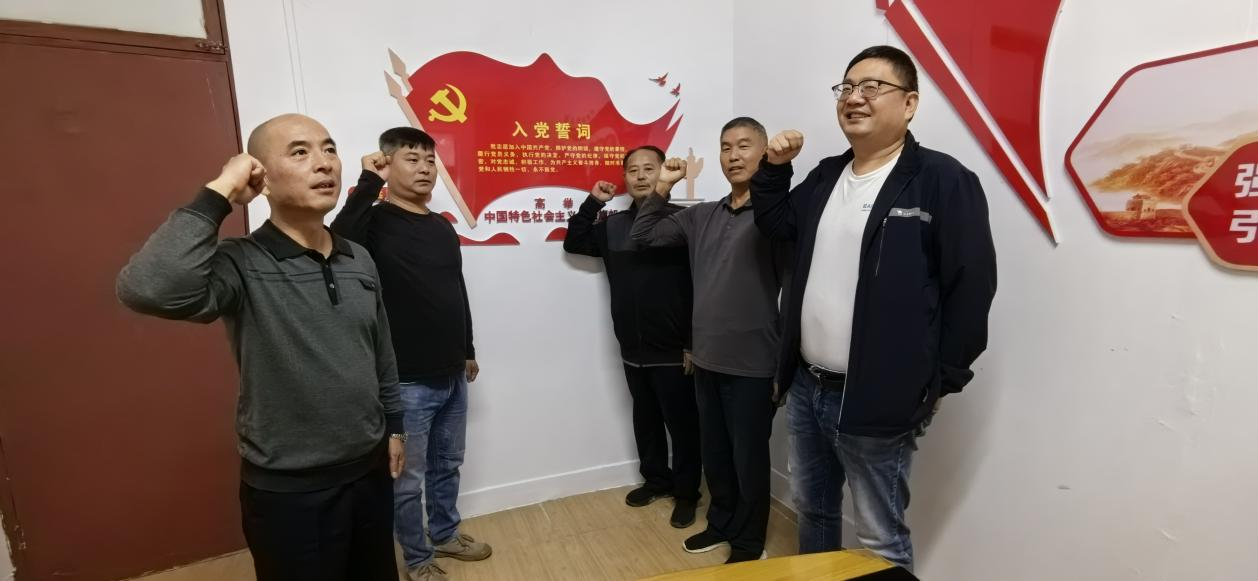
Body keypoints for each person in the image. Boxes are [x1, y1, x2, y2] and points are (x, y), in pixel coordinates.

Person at [116, 113, 405, 580]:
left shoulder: (359, 259)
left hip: (368, 472)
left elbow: (381, 351)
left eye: (329, 149)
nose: (324, 163)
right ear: (261, 178)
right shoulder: (240, 262)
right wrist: (220, 193)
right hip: (290, 490)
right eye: (300, 152)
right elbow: (146, 289)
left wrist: (395, 426)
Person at [749, 45, 997, 570]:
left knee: (879, 535)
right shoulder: (825, 176)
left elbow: (971, 288)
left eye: (871, 87)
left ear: (909, 104)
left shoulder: (942, 180)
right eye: (846, 87)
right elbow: (777, 225)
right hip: (807, 386)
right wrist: (773, 169)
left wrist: (940, 381)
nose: (854, 97)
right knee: (813, 510)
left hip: (879, 397)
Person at [331, 127, 490, 581]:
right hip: (405, 379)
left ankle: (445, 534)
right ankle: (417, 560)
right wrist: (367, 182)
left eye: (430, 160)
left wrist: (467, 347)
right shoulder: (373, 222)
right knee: (406, 480)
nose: (424, 168)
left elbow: (455, 288)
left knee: (448, 464)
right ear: (387, 164)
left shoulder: (441, 226)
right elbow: (336, 239)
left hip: (452, 372)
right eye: (412, 159)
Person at [630, 119, 788, 563]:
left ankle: (748, 542)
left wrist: (779, 173)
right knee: (715, 455)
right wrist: (663, 185)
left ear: (763, 153)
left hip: (754, 363)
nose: (733, 155)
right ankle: (720, 524)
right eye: (725, 147)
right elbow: (643, 236)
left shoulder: (775, 218)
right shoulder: (702, 216)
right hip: (706, 359)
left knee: (748, 460)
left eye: (744, 146)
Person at [563, 145, 703, 529]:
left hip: (675, 349)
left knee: (684, 426)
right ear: (624, 178)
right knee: (645, 418)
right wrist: (594, 202)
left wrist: (693, 342)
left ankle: (687, 493)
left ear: (663, 173)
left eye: (649, 168)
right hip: (631, 348)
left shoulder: (684, 221)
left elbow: (701, 284)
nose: (640, 176)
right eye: (633, 170)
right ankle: (656, 480)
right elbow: (575, 241)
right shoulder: (613, 227)